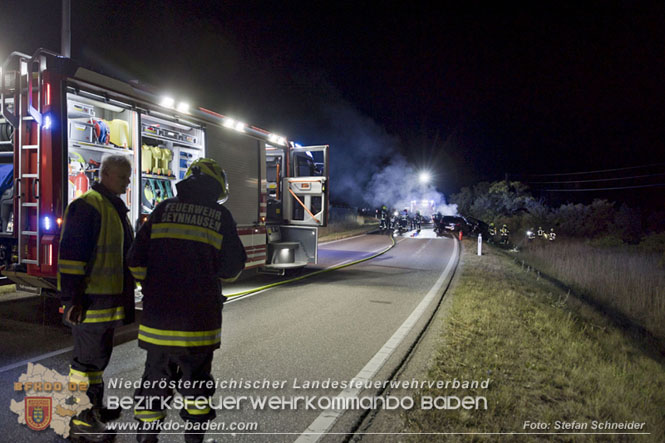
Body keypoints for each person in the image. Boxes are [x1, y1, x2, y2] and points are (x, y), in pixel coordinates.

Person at [128, 158, 247, 443]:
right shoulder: (220, 216)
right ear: (216, 185)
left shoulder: (162, 209)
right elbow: (233, 268)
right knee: (196, 387)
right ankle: (194, 440)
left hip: (158, 322)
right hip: (198, 324)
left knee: (154, 383)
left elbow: (134, 259)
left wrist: (152, 285)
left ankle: (146, 439)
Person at [58, 154, 135, 441]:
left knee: (97, 360)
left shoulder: (112, 206)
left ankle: (94, 409)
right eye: (123, 177)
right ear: (105, 174)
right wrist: (72, 300)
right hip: (90, 301)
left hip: (106, 301)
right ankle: (80, 420)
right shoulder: (88, 206)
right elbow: (72, 259)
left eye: (128, 177)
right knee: (86, 362)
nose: (127, 182)